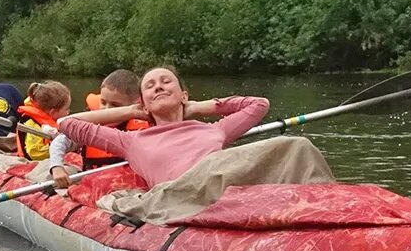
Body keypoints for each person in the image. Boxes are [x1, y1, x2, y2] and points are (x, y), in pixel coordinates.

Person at [51, 66, 333, 192]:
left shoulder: (213, 130)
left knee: (297, 145)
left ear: (183, 94)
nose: (158, 86)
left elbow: (259, 105)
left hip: (222, 177)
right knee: (291, 146)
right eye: (150, 86)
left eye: (166, 82)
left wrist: (200, 107)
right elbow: (66, 123)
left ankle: (325, 207)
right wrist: (131, 110)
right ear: (143, 103)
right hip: (182, 191)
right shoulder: (131, 140)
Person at [50, 69, 149, 168]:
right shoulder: (88, 124)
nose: (106, 109)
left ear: (135, 105)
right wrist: (56, 166)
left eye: (115, 105)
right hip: (91, 180)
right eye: (103, 102)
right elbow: (60, 140)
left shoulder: (144, 129)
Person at [16, 81, 71, 160]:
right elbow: (34, 153)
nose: (68, 112)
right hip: (32, 162)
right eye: (66, 109)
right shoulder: (32, 124)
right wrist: (60, 146)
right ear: (52, 112)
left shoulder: (51, 119)